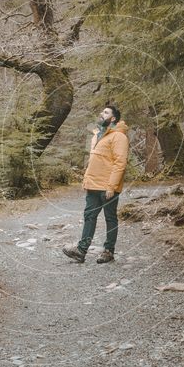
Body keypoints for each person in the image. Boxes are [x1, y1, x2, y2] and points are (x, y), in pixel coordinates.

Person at [63, 105, 129, 264]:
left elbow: (120, 163)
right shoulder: (98, 135)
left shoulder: (119, 136)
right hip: (93, 184)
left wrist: (111, 186)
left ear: (113, 118)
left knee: (110, 218)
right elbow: (93, 161)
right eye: (102, 111)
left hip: (108, 186)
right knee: (89, 216)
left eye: (106, 112)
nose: (101, 113)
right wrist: (86, 179)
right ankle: (81, 250)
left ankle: (108, 251)